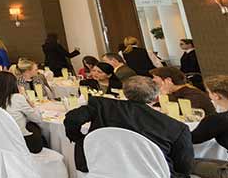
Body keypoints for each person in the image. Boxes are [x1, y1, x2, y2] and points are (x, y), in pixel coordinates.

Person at [64, 76, 194, 177]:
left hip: (102, 167)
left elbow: (72, 118)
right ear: (155, 97)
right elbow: (183, 167)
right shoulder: (176, 127)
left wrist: (81, 139)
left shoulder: (102, 105)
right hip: (151, 174)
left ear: (125, 92)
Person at [0, 71, 46, 153]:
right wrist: (32, 105)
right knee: (34, 127)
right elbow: (38, 118)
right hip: (19, 142)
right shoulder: (17, 98)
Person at [191, 75, 228, 178]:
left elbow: (191, 139)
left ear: (216, 96)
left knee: (186, 163)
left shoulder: (218, 120)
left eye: (209, 92)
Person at [150, 66, 216, 116]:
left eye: (156, 82)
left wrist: (165, 95)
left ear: (168, 81)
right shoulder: (175, 93)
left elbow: (183, 115)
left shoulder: (193, 94)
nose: (155, 85)